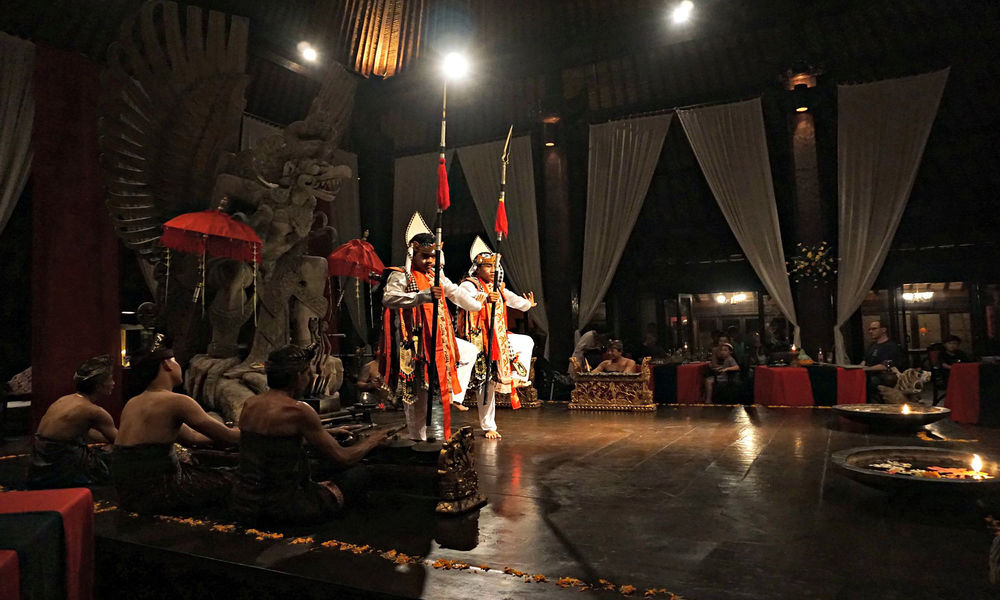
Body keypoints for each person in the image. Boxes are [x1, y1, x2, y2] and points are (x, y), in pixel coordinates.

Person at [229, 345, 392, 525]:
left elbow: (272, 442)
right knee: (360, 473)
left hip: (244, 502)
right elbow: (343, 457)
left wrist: (328, 432)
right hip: (282, 507)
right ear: (299, 376)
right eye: (308, 374)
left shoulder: (250, 404)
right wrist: (373, 440)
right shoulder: (299, 410)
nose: (310, 379)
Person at [380, 213, 483, 441]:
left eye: (432, 256)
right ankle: (417, 438)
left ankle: (455, 396)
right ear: (413, 253)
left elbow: (455, 293)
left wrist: (478, 304)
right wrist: (422, 296)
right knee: (418, 394)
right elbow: (389, 298)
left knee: (468, 351)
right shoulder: (401, 275)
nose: (429, 261)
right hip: (414, 342)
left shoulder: (436, 276)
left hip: (438, 338)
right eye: (425, 256)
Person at [110, 336, 240, 514]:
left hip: (128, 492)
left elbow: (193, 438)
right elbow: (229, 437)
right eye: (175, 361)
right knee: (235, 480)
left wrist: (223, 434)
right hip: (157, 490)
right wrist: (249, 428)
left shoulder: (134, 402)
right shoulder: (176, 401)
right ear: (167, 364)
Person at [454, 237, 536, 440]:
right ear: (478, 268)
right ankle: (481, 419)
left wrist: (527, 305)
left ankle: (518, 377)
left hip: (498, 338)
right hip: (478, 340)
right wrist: (481, 300)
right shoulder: (469, 285)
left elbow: (514, 300)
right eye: (488, 266)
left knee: (526, 341)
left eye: (495, 266)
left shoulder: (497, 287)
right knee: (485, 384)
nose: (493, 270)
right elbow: (463, 300)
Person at [25, 355, 118, 489]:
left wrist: (108, 441)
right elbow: (121, 441)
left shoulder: (63, 400)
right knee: (118, 454)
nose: (113, 383)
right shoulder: (94, 411)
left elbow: (85, 432)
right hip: (60, 465)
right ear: (99, 386)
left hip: (38, 463)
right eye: (110, 379)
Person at [860, 320, 904, 403]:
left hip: (882, 377)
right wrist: (858, 369)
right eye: (869, 329)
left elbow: (885, 365)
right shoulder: (872, 345)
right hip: (868, 375)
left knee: (871, 382)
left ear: (883, 330)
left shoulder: (891, 346)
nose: (870, 331)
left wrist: (866, 369)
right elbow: (865, 360)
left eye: (874, 329)